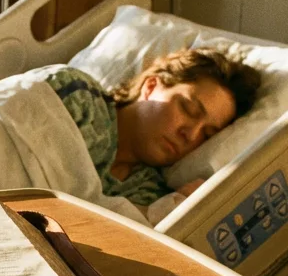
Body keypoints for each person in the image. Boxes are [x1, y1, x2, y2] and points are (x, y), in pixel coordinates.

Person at [28, 48, 262, 208]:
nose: (190, 135)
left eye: (207, 134)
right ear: (151, 86)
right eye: (189, 109)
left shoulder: (147, 193)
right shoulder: (78, 96)